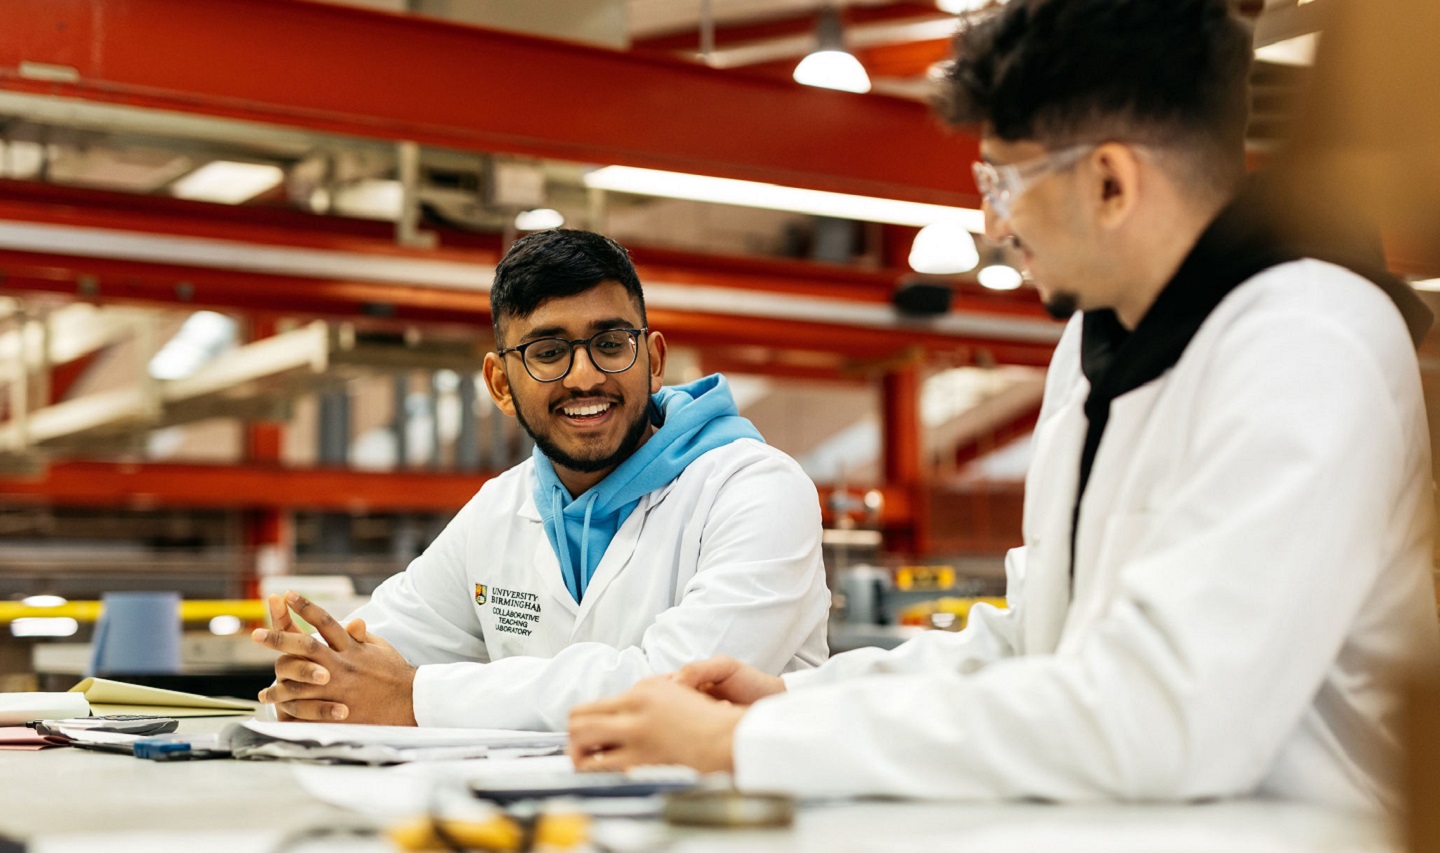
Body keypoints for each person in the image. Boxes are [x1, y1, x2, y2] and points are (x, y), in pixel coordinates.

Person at [567, 0, 1440, 812]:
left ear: (1110, 182)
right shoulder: (1092, 348)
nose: (992, 223)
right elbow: (1035, 638)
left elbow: (1161, 718)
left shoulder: (1309, 341)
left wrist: (757, 741)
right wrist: (798, 695)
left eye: (1004, 182)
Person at [251, 228, 830, 730]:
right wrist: (315, 672)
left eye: (610, 344)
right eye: (549, 351)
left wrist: (417, 696)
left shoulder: (757, 489)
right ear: (501, 383)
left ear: (653, 360)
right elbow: (367, 649)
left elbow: (684, 685)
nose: (585, 377)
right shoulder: (499, 509)